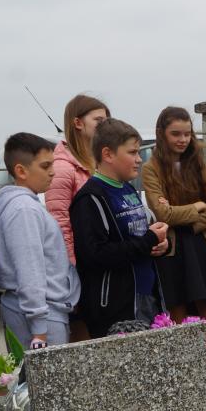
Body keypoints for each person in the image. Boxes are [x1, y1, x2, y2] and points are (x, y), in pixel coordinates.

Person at [71, 118, 171, 338]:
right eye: (132, 153)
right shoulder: (90, 198)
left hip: (146, 294)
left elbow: (138, 237)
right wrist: (148, 240)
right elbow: (94, 254)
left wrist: (161, 245)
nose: (139, 159)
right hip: (116, 306)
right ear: (108, 154)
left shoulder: (127, 188)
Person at [0, 133, 81, 350]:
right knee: (42, 374)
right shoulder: (24, 210)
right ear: (21, 171)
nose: (53, 171)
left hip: (45, 312)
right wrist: (39, 328)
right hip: (40, 318)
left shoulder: (28, 206)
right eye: (45, 166)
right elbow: (30, 269)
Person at [142, 107, 206, 334]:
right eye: (176, 134)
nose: (183, 139)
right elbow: (163, 215)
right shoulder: (151, 168)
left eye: (187, 134)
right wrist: (197, 206)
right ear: (161, 133)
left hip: (201, 242)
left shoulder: (197, 163)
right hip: (171, 248)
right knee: (178, 320)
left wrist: (188, 220)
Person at [47, 94, 110, 342]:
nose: (105, 125)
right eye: (99, 120)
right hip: (78, 265)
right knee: (80, 336)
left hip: (97, 259)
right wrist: (70, 268)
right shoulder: (63, 167)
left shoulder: (96, 161)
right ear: (77, 123)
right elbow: (59, 220)